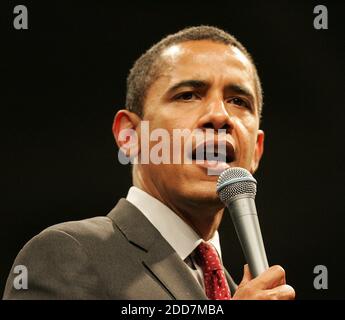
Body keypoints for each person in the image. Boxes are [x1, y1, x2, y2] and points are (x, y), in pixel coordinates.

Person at [3, 26, 295, 300]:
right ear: (130, 136)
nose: (220, 116)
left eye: (238, 101)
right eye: (188, 95)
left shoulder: (237, 289)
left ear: (256, 151)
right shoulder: (67, 253)